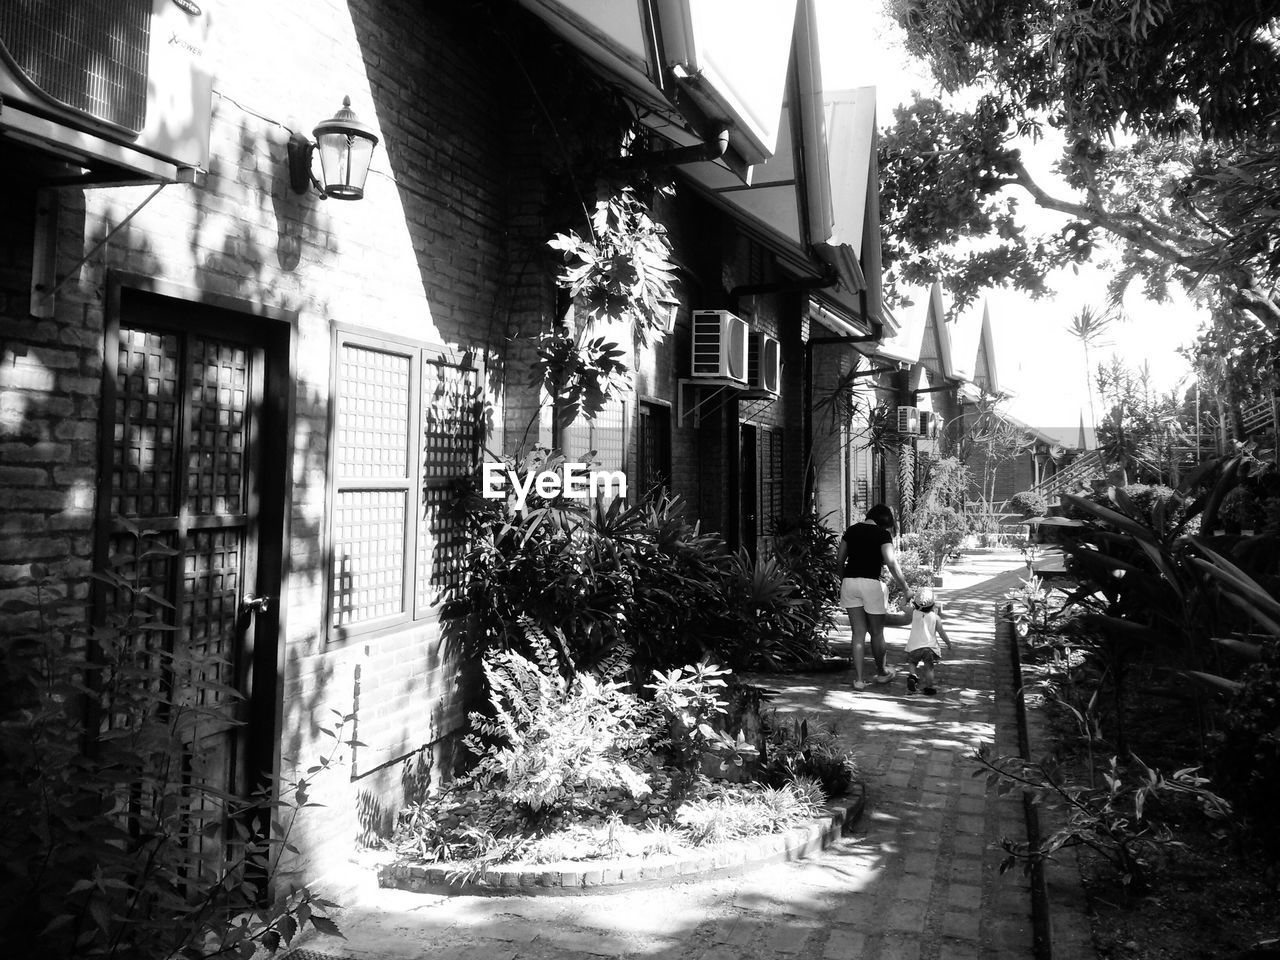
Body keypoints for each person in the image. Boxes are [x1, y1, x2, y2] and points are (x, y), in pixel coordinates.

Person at [835, 504, 911, 690]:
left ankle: (859, 680)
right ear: (885, 521)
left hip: (850, 582)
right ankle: (882, 672)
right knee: (877, 632)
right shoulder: (882, 534)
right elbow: (891, 563)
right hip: (870, 584)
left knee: (858, 633)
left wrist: (844, 579)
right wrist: (905, 587)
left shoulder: (851, 530)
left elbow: (839, 559)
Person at [902, 586, 952, 696]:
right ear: (933, 604)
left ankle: (913, 676)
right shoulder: (935, 617)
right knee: (929, 668)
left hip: (914, 646)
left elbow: (901, 606)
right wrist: (948, 643)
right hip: (929, 648)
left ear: (915, 603)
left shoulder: (913, 612)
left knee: (912, 663)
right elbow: (941, 633)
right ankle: (929, 688)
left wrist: (906, 596)